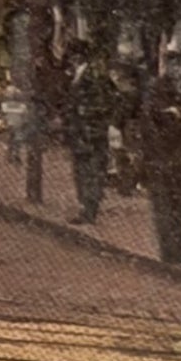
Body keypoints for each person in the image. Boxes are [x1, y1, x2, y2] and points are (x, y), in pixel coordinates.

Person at [143, 47, 181, 264]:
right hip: (162, 156)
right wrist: (171, 115)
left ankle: (178, 250)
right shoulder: (156, 87)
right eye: (175, 64)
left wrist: (180, 114)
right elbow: (152, 117)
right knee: (164, 205)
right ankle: (168, 251)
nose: (179, 69)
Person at [66, 44, 119, 225]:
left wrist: (89, 118)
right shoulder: (78, 75)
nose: (71, 60)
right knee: (83, 172)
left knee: (91, 172)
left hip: (90, 133)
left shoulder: (93, 77)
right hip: (80, 132)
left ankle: (89, 211)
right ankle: (86, 209)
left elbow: (105, 102)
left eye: (74, 56)